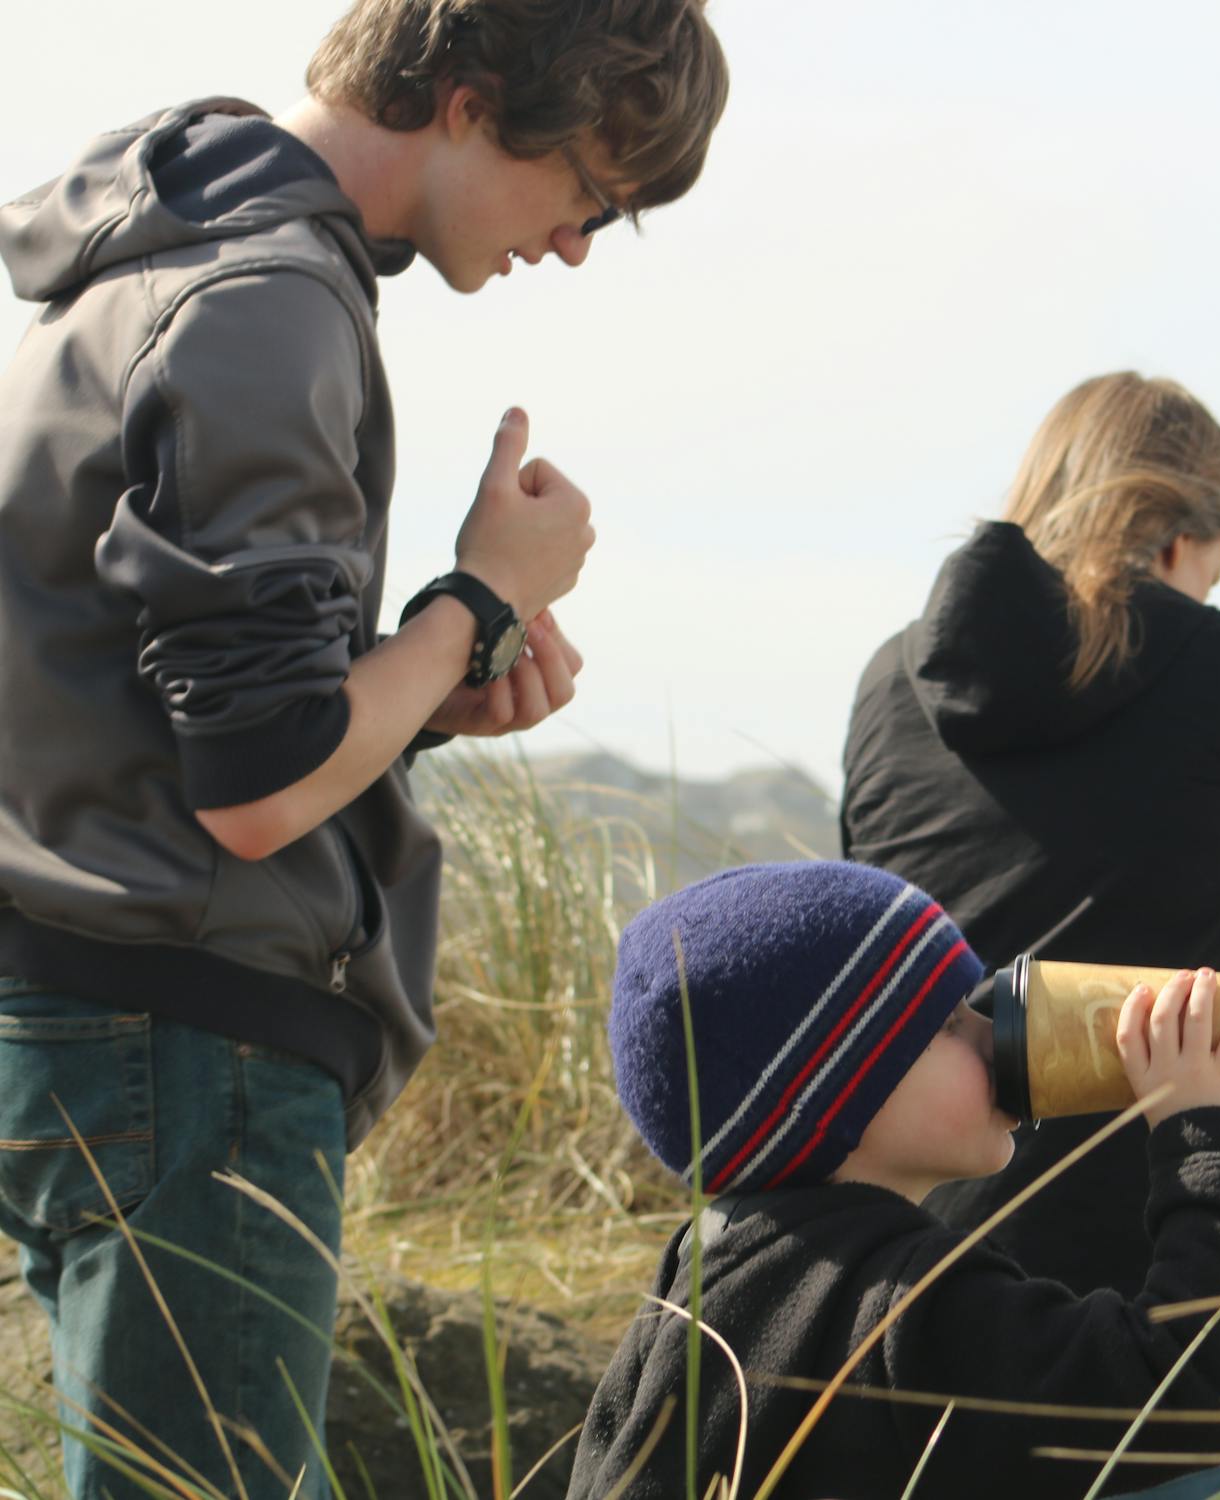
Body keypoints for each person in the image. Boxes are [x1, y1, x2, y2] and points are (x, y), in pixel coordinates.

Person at [0, 4, 727, 1495]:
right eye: (585, 188)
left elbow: (182, 715)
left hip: (100, 1015)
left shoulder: (163, 259)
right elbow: (261, 787)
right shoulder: (269, 303)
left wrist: (426, 692)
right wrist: (482, 599)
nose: (577, 244)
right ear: (470, 101)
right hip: (186, 1051)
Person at [840, 372, 1220, 1310]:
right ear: (1178, 540)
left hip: (899, 1273)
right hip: (1147, 1280)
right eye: (1213, 575)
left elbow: (870, 973)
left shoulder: (888, 682)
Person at [570, 862, 1220, 1500]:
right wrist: (1203, 1134)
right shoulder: (910, 1311)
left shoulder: (700, 1267)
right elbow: (1189, 1395)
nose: (990, 1033)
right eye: (947, 1021)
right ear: (836, 1096)